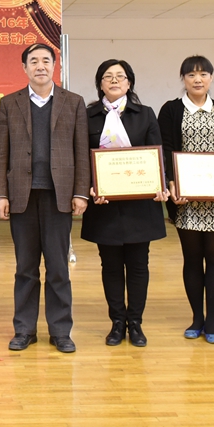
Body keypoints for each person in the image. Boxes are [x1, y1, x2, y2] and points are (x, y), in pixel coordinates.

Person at [0, 43, 89, 354]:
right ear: (24, 68)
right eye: (33, 61)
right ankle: (24, 330)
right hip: (22, 195)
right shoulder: (10, 103)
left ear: (54, 66)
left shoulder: (73, 102)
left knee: (58, 267)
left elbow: (81, 151)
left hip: (59, 196)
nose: (40, 66)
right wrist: (0, 194)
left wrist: (80, 191)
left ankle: (61, 331)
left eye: (46, 60)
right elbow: (0, 152)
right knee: (25, 267)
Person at [81, 59, 169, 348]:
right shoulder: (88, 116)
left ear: (129, 83)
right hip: (103, 203)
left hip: (140, 204)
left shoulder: (145, 114)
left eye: (120, 76)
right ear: (100, 83)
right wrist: (89, 187)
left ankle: (136, 323)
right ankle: (117, 322)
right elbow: (81, 156)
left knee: (138, 265)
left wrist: (160, 184)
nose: (114, 81)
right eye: (108, 76)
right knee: (110, 265)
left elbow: (158, 155)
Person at [158, 55, 214, 345]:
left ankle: (212, 321)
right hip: (187, 199)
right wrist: (172, 183)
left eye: (203, 74)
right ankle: (196, 318)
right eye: (191, 74)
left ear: (211, 78)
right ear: (183, 79)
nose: (198, 79)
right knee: (192, 260)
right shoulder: (171, 109)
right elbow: (166, 149)